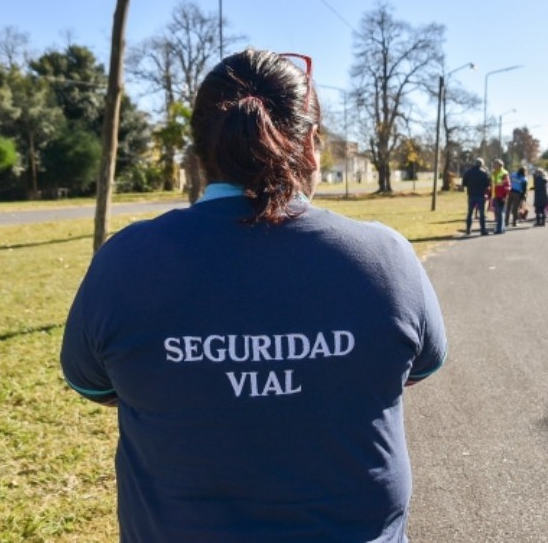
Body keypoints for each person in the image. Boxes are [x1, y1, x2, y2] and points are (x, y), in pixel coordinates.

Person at [60, 49, 448, 542]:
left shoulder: (125, 261)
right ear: (311, 145)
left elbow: (93, 384)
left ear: (201, 152)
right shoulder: (386, 258)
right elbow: (420, 368)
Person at [463, 157, 490, 235]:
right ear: (482, 164)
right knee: (482, 213)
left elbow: (464, 183)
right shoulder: (484, 173)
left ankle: (468, 229)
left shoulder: (468, 172)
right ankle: (483, 230)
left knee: (470, 213)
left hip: (471, 194)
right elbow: (487, 184)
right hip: (480, 195)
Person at [490, 159, 510, 234]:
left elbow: (507, 186)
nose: (493, 165)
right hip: (495, 195)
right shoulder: (494, 173)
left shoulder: (504, 173)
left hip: (501, 196)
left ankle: (499, 229)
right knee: (498, 213)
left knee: (500, 213)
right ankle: (502, 228)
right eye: (493, 164)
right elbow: (493, 184)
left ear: (499, 165)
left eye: (495, 164)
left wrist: (505, 196)